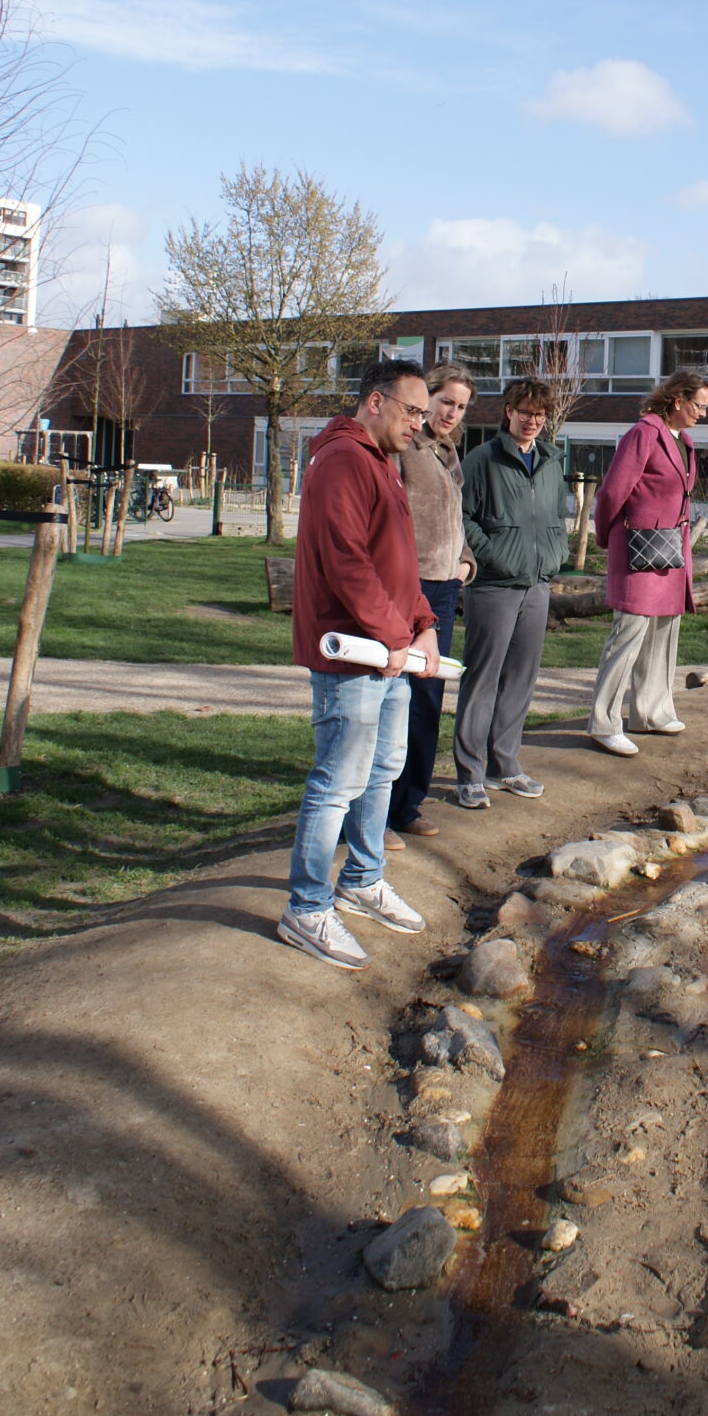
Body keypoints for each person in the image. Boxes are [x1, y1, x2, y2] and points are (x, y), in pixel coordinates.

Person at [277, 359, 440, 970]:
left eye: (423, 414)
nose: (419, 424)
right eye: (412, 411)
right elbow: (346, 560)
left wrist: (422, 624)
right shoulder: (344, 460)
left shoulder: (380, 462)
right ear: (375, 401)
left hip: (389, 651)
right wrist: (396, 633)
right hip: (353, 652)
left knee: (382, 768)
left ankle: (363, 878)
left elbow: (398, 561)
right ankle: (307, 907)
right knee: (337, 781)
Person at [453, 375, 569, 809]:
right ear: (509, 412)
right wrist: (492, 556)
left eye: (540, 415)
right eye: (525, 413)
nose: (532, 421)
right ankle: (470, 774)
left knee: (520, 680)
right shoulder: (482, 459)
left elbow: (556, 515)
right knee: (482, 680)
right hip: (493, 587)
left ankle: (505, 766)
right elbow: (462, 517)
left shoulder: (551, 461)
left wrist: (556, 553)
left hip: (537, 586)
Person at [587, 368, 708, 756]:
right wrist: (607, 537)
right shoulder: (643, 434)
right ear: (678, 400)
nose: (703, 414)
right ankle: (604, 723)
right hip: (638, 549)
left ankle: (651, 712)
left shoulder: (684, 441)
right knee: (628, 635)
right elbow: (611, 493)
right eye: (699, 406)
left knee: (663, 633)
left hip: (671, 550)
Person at [385, 362, 477, 844]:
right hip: (408, 584)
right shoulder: (405, 448)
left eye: (461, 407)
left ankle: (408, 805)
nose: (452, 413)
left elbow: (454, 520)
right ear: (427, 399)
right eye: (445, 402)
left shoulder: (448, 453)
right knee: (393, 699)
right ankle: (375, 813)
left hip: (445, 587)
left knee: (427, 699)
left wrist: (465, 561)